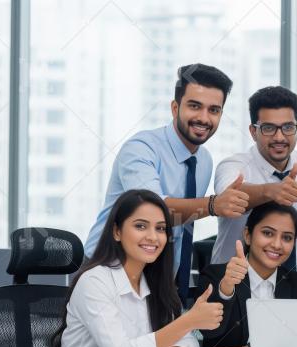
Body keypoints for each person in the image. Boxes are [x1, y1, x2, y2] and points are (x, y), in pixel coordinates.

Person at [83, 63, 249, 302]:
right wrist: (213, 205)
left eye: (214, 110)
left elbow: (182, 221)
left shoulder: (204, 161)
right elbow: (154, 213)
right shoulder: (141, 149)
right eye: (194, 106)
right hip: (110, 272)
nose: (203, 118)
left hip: (159, 280)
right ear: (175, 108)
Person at [48, 190, 224, 347]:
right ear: (117, 231)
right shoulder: (94, 282)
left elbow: (188, 340)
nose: (153, 237)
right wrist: (189, 321)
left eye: (160, 228)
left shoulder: (155, 283)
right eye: (140, 226)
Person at [210, 86, 297, 299]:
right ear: (253, 131)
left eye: (288, 127)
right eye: (269, 128)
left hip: (285, 287)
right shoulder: (233, 165)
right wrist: (270, 191)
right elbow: (229, 198)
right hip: (230, 286)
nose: (279, 137)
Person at [199, 202, 297, 347]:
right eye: (268, 233)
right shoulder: (216, 275)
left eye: (287, 237)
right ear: (248, 235)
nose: (277, 244)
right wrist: (226, 288)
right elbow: (209, 332)